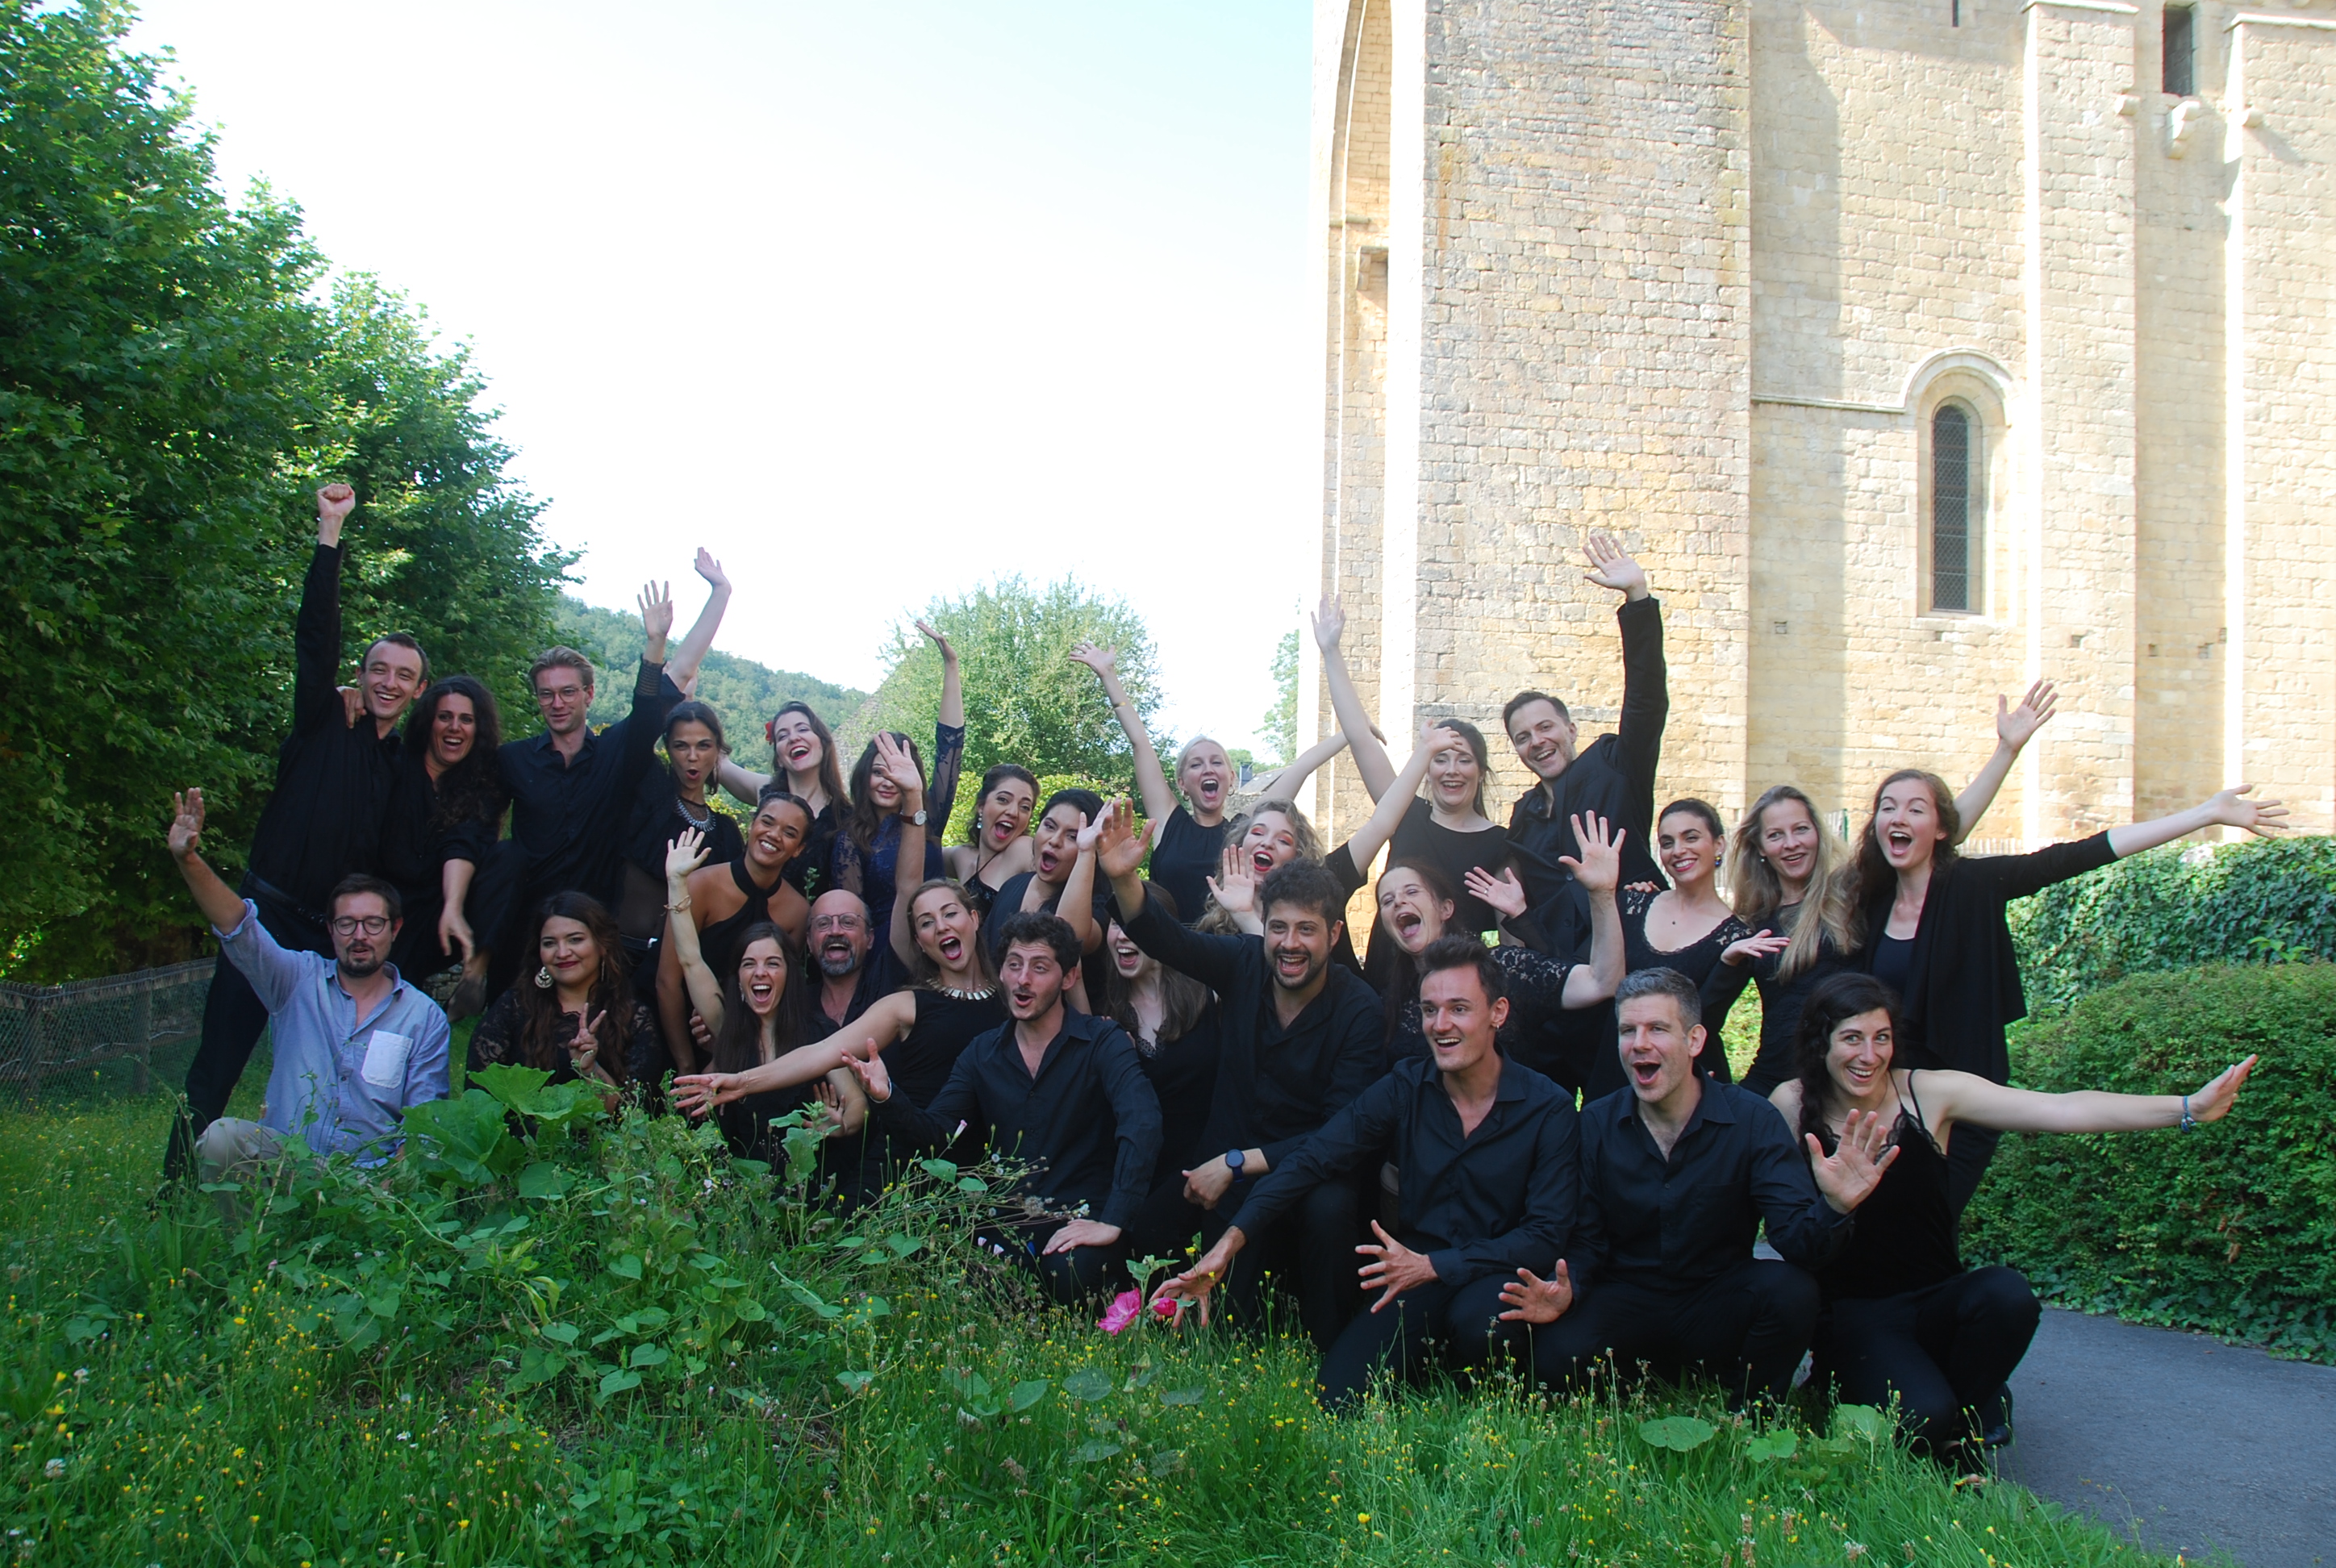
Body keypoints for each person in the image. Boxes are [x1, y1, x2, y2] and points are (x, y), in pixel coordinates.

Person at [1775, 973, 2256, 1460]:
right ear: (1821, 1042)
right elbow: (1788, 1229)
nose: (1869, 1055)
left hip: (1938, 1299)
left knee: (2007, 1294)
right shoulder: (1791, 1105)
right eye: (1851, 1038)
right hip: (1857, 1317)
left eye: (1882, 1038)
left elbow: (2062, 1110)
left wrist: (2187, 1108)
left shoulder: (1930, 1093)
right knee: (1924, 1416)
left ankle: (1970, 1402)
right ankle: (1964, 1405)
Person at [1154, 940, 1583, 1410]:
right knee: (1336, 1397)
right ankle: (1419, 1361)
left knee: (1482, 1327)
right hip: (1413, 1277)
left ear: (1497, 1012)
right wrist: (1227, 1245)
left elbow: (1545, 1233)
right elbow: (1316, 1155)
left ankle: (1469, 1379)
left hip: (1491, 1273)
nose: (1441, 1026)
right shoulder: (1405, 1085)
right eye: (1429, 1010)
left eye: (1459, 1009)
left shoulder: (1550, 1107)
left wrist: (1436, 1266)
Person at [1853, 769, 2286, 1211]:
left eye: (1915, 808)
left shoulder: (1973, 884)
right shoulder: (1871, 900)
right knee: (1877, 1233)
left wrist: (2204, 814)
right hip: (1886, 1098)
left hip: (1967, 1101)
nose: (1898, 817)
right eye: (1888, 807)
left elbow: (2080, 855)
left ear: (1943, 829)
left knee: (1927, 1228)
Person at [168, 483, 431, 1181]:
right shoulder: (322, 720)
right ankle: (170, 1198)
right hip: (266, 915)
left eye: (403, 675)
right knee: (217, 1064)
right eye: (377, 669)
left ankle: (315, 1192)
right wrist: (330, 532)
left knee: (324, 1075)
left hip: (332, 938)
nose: (387, 682)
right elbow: (314, 636)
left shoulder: (403, 767)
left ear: (417, 691)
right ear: (360, 674)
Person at [1501, 968, 1893, 1407]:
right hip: (1628, 1296)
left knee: (1791, 1291)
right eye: (1628, 1030)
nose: (1640, 1044)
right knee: (1552, 1363)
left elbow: (1796, 1241)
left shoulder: (1751, 1121)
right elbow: (1588, 1238)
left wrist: (1835, 1207)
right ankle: (1646, 1377)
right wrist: (1568, 1289)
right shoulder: (1595, 1122)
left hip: (1717, 1299)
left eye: (1658, 1029)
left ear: (1695, 1041)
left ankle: (1752, 1411)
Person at [1096, 799, 1383, 1349]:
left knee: (1329, 1208)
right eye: (1278, 929)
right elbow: (1166, 939)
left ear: (1335, 935)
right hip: (1225, 1162)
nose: (1290, 944)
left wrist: (1236, 1163)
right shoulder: (1244, 963)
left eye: (1307, 930)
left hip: (1306, 1172)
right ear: (1263, 928)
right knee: (1153, 1231)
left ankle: (1332, 1340)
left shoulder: (1360, 1010)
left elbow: (1339, 1135)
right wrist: (1124, 878)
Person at [1708, 685, 2061, 1095]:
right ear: (1760, 848)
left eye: (1801, 830)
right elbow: (1705, 1013)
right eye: (1776, 835)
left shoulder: (1852, 891)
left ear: (1819, 835)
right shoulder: (1750, 923)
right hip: (1774, 1082)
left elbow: (1942, 832)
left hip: (1851, 1084)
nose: (1791, 844)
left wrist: (2006, 752)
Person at [845, 912, 1162, 1304]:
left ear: (1068, 978)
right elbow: (940, 1136)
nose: (1022, 979)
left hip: (1081, 1218)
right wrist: (886, 1096)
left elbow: (1143, 1121)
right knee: (969, 1279)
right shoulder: (982, 1053)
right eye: (1014, 965)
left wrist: (1113, 1219)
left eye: (1039, 967)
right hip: (1007, 1223)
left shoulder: (1103, 1041)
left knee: (1071, 1274)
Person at [166, 788, 449, 1191]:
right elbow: (238, 927)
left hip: (369, 1186)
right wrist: (188, 858)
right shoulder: (295, 981)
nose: (359, 936)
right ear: (331, 931)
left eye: (373, 923)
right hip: (287, 1170)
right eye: (346, 924)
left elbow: (425, 1120)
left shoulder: (423, 1017)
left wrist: (386, 1189)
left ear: (395, 929)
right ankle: (261, 1248)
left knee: (419, 1169)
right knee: (219, 1139)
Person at [483, 560, 728, 995]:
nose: (557, 703)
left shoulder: (617, 752)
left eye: (568, 692)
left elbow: (673, 680)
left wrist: (674, 629)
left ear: (589, 695)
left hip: (594, 930)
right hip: (522, 928)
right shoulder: (513, 760)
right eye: (546, 694)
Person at [673, 876, 1005, 1174]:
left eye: (950, 913)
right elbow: (821, 1052)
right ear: (919, 940)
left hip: (994, 1167)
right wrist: (744, 1082)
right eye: (927, 923)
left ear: (974, 918)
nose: (942, 927)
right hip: (916, 1171)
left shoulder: (1011, 999)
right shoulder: (905, 1006)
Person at [1074, 640, 1350, 927]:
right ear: (1182, 782)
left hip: (1229, 952)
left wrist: (1352, 732)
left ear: (1231, 779)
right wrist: (1108, 675)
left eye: (1217, 762)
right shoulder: (1168, 822)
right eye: (1196, 764)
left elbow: (1302, 767)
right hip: (1168, 956)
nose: (1208, 769)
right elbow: (1139, 742)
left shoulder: (1246, 829)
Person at [1312, 611, 1512, 963]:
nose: (1452, 770)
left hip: (1457, 988)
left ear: (1481, 772)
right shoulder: (1406, 814)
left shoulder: (1500, 842)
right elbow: (1361, 738)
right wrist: (1331, 651)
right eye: (1440, 758)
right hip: (1389, 979)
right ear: (1426, 767)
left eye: (1464, 760)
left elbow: (1504, 931)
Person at [1370, 815, 1625, 1076]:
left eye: (1412, 891)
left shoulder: (1506, 969)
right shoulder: (1390, 1001)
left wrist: (1602, 894)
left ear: (1445, 909)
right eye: (1388, 900)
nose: (1399, 901)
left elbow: (1602, 983)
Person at [1501, 531, 1667, 900]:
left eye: (1545, 727)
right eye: (1523, 737)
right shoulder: (1524, 819)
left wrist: (1638, 599)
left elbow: (1646, 702)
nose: (1537, 741)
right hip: (1567, 958)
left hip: (1633, 942)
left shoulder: (1615, 767)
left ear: (1571, 729)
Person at [654, 788, 815, 1074]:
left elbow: (777, 991)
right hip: (675, 1028)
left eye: (789, 832)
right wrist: (685, 1063)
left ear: (799, 848)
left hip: (745, 1044)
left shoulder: (797, 911)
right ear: (752, 825)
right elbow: (668, 981)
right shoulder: (699, 885)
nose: (774, 835)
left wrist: (729, 1044)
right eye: (767, 822)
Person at [830, 622, 966, 936]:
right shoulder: (851, 839)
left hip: (941, 941)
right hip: (885, 951)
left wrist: (951, 666)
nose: (888, 780)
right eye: (879, 771)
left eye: (898, 771)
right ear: (865, 777)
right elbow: (852, 917)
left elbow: (951, 747)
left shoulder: (928, 816)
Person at [378, 675, 506, 997]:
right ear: (428, 722)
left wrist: (452, 904)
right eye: (445, 717)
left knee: (510, 857)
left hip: (438, 914)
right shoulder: (395, 764)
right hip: (381, 901)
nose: (454, 728)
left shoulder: (481, 788)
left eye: (466, 720)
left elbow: (463, 842)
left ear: (478, 730)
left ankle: (475, 974)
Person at [615, 696, 747, 997]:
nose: (692, 756)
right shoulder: (649, 798)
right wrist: (656, 651)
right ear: (668, 749)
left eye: (703, 745)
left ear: (717, 751)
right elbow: (640, 725)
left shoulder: (725, 832)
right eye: (681, 746)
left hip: (686, 978)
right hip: (622, 962)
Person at [467, 893, 651, 1107]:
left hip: (600, 1139)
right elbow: (477, 1097)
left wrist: (590, 1069)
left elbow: (631, 1116)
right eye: (549, 943)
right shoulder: (514, 1007)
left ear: (603, 945)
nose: (562, 952)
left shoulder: (633, 1017)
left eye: (575, 940)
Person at [1101, 887, 1223, 1198]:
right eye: (1116, 924)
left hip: (1207, 1175)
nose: (1123, 935)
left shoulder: (1210, 994)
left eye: (1133, 923)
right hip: (1135, 1183)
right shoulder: (1104, 1015)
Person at [718, 699, 849, 899]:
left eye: (802, 729)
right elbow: (718, 763)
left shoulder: (845, 816)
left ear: (823, 742)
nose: (793, 738)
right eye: (782, 736)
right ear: (779, 758)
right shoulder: (766, 792)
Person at [947, 763, 1039, 919]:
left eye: (1024, 807)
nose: (1013, 812)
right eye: (1003, 800)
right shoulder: (961, 856)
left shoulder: (1022, 849)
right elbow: (920, 854)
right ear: (981, 806)